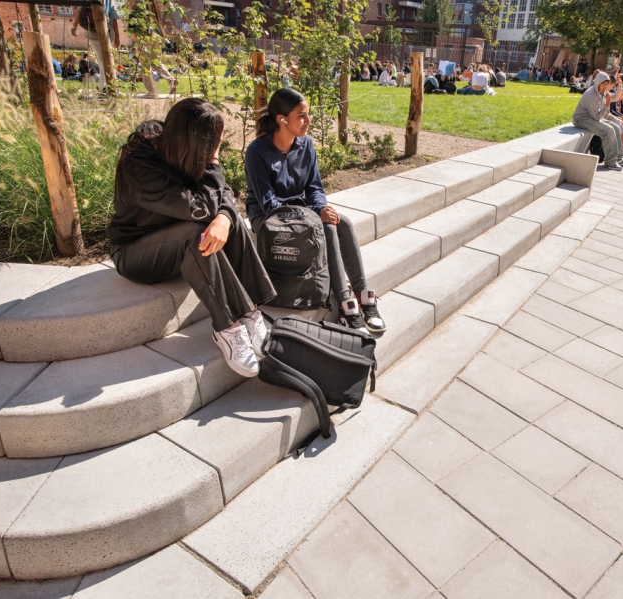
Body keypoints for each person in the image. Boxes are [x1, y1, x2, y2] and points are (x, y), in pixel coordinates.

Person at [108, 98, 276, 377]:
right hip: (135, 252)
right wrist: (213, 161)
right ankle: (228, 328)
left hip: (177, 240)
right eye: (214, 144)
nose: (217, 149)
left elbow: (224, 195)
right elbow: (199, 208)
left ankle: (250, 312)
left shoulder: (180, 148)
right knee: (197, 233)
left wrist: (223, 217)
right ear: (198, 143)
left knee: (228, 217)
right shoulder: (139, 166)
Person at [244, 88, 386, 335]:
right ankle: (344, 303)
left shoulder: (306, 144)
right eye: (302, 116)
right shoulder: (257, 152)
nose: (308, 121)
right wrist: (313, 216)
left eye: (308, 115)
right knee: (326, 228)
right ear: (282, 119)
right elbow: (267, 204)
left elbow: (314, 187)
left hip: (300, 209)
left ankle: (363, 296)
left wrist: (320, 207)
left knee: (344, 223)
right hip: (268, 217)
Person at [572, 71, 623, 171]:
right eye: (603, 83)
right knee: (608, 130)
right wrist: (607, 106)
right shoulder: (591, 95)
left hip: (592, 118)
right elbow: (597, 117)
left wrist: (620, 87)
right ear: (598, 82)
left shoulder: (602, 92)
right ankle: (611, 162)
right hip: (582, 120)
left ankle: (618, 158)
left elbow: (614, 98)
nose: (605, 86)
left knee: (616, 127)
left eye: (607, 83)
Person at [71, 1, 122, 90]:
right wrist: (117, 35)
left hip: (97, 32)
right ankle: (106, 86)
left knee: (104, 60)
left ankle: (107, 86)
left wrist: (74, 26)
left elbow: (80, 10)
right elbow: (113, 17)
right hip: (106, 32)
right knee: (105, 60)